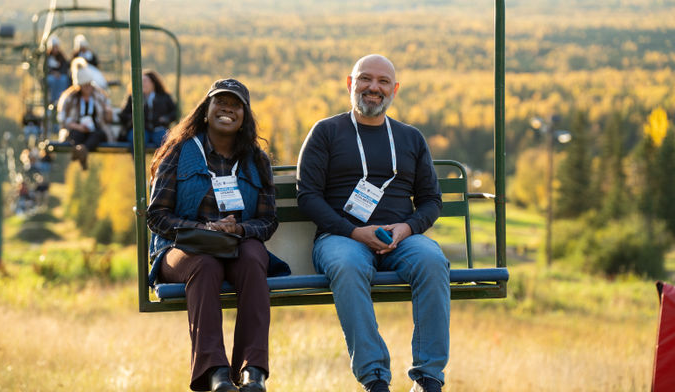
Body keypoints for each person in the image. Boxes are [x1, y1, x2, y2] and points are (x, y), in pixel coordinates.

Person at [296, 54, 449, 392]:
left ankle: (428, 377)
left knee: (433, 260)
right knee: (348, 266)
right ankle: (375, 377)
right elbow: (307, 196)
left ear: (394, 89)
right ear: (351, 84)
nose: (373, 87)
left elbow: (431, 201)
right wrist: (353, 231)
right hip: (342, 237)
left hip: (401, 239)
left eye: (382, 81)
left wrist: (406, 228)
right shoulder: (326, 132)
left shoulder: (410, 138)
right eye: (365, 79)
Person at [147, 78, 288, 392]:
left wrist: (238, 229)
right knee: (206, 264)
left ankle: (253, 372)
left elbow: (267, 221)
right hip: (182, 247)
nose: (228, 109)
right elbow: (156, 216)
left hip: (237, 245)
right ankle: (216, 374)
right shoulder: (180, 152)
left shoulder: (257, 161)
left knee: (254, 258)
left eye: (236, 105)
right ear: (206, 111)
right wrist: (201, 229)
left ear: (244, 117)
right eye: (220, 103)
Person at [57, 57, 114, 170]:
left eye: (89, 84)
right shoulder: (70, 98)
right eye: (85, 85)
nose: (88, 88)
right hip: (77, 129)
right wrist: (78, 126)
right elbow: (63, 119)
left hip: (96, 129)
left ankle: (81, 151)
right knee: (75, 134)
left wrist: (108, 112)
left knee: (97, 135)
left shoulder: (99, 96)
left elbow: (108, 119)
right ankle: (82, 151)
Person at [118, 69, 178, 146]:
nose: (142, 84)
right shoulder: (134, 97)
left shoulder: (164, 97)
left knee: (165, 140)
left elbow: (174, 112)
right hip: (140, 129)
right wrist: (133, 119)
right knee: (137, 139)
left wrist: (166, 118)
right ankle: (139, 158)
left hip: (158, 128)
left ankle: (163, 158)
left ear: (153, 83)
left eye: (145, 81)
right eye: (141, 81)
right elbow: (123, 114)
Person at [45, 36, 70, 104]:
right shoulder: (47, 57)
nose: (55, 49)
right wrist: (53, 73)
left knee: (64, 80)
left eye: (56, 47)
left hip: (61, 75)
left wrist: (60, 73)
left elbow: (65, 66)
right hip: (51, 75)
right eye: (54, 47)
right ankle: (53, 99)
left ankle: (61, 99)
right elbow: (45, 68)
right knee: (52, 80)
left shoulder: (61, 56)